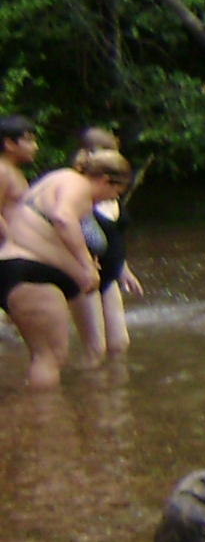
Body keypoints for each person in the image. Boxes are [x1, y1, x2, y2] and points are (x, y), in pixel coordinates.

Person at [0, 149, 123, 389]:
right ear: (105, 180)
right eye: (115, 192)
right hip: (29, 272)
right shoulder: (76, 184)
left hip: (17, 268)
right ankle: (44, 420)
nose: (111, 199)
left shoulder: (51, 181)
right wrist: (87, 266)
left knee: (49, 356)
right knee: (49, 358)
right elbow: (63, 217)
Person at [70, 131, 141, 358]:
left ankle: (113, 391)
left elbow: (116, 237)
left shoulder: (112, 193)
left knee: (120, 345)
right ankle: (88, 389)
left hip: (110, 276)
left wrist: (124, 270)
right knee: (96, 349)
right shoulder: (79, 193)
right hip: (88, 277)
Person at [0, 115, 35, 220]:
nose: (35, 147)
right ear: (9, 144)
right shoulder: (2, 171)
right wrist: (10, 236)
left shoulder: (15, 170)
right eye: (29, 141)